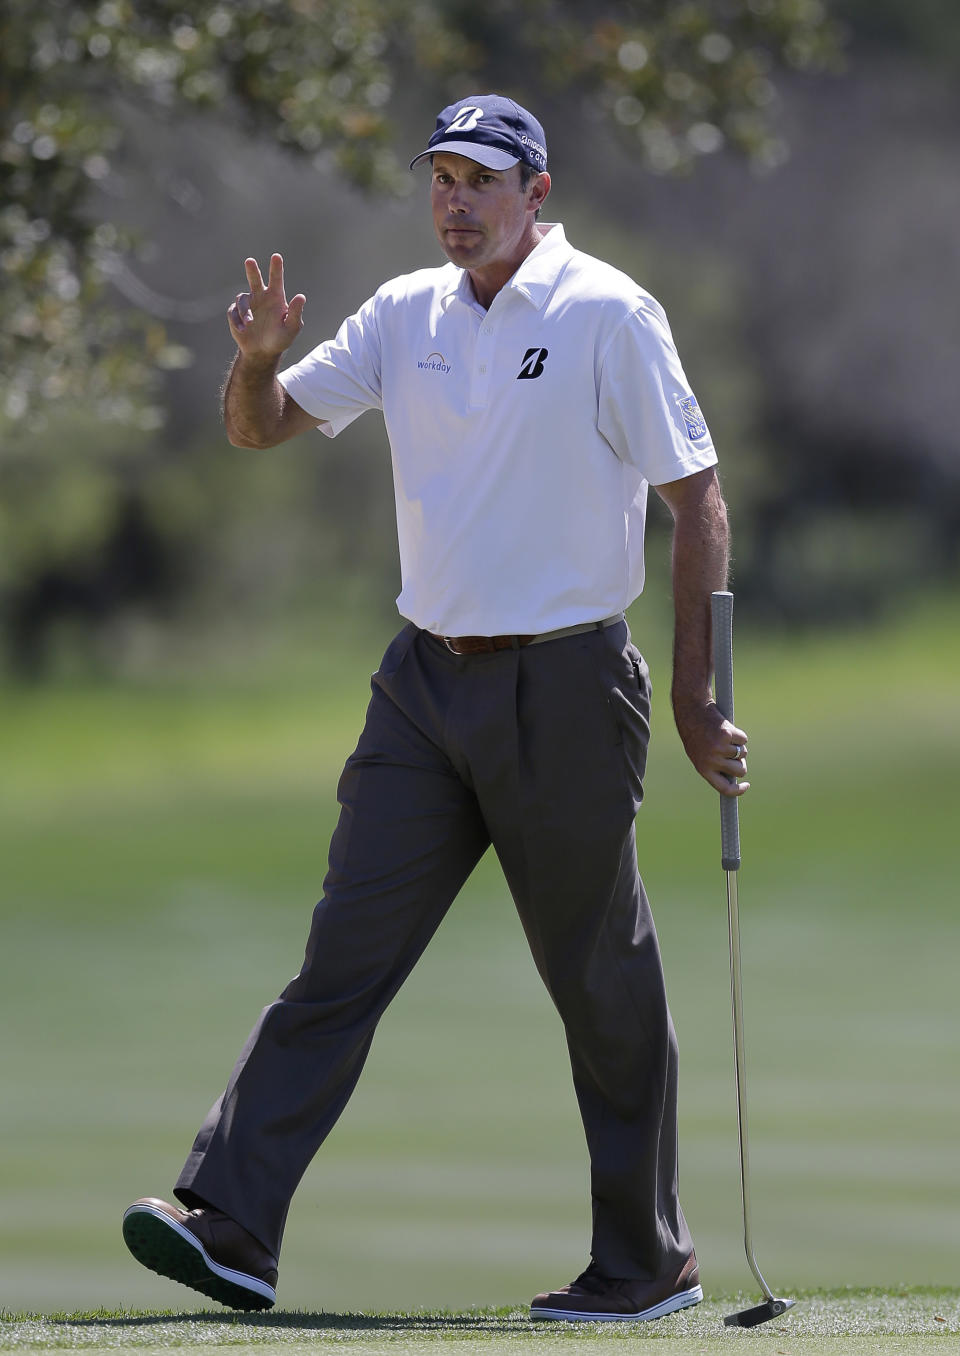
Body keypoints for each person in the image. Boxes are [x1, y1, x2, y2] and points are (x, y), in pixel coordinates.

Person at [122, 93, 749, 1323]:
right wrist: (251, 367)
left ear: (537, 192)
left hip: (566, 681)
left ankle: (644, 1261)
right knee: (340, 961)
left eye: (482, 180)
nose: (456, 201)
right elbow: (265, 430)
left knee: (598, 983)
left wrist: (689, 700)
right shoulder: (404, 315)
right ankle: (234, 1222)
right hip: (422, 687)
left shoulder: (607, 313)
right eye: (442, 180)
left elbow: (699, 498)